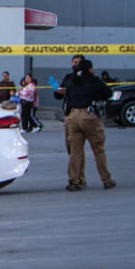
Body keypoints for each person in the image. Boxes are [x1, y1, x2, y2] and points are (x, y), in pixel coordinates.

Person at [64, 59, 115, 191]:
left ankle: (74, 180)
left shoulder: (71, 80)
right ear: (90, 69)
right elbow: (108, 93)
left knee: (75, 151)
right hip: (88, 116)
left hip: (72, 117)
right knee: (98, 149)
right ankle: (106, 179)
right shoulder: (93, 80)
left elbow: (67, 96)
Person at [54, 54, 86, 184]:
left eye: (78, 62)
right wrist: (56, 90)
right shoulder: (68, 78)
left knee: (76, 148)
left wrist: (66, 91)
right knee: (70, 148)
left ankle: (78, 178)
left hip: (82, 115)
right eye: (74, 62)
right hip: (69, 116)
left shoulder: (86, 79)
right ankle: (78, 175)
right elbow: (59, 95)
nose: (75, 64)